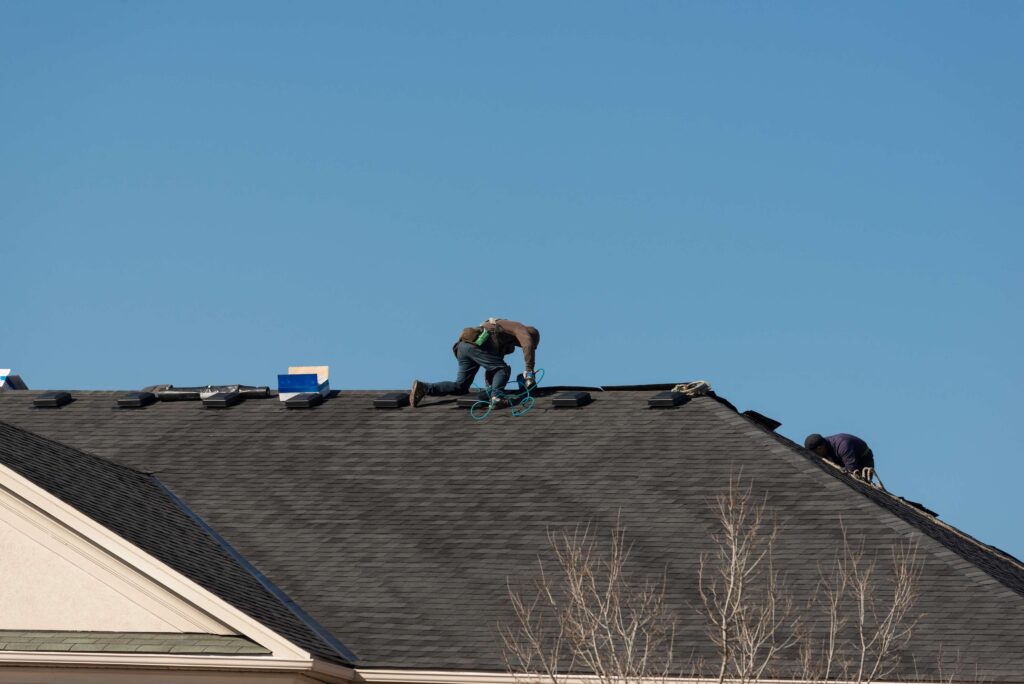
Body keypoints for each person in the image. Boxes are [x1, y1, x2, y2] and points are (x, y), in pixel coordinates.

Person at [411, 318, 540, 408]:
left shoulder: (505, 339)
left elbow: (492, 367)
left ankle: (424, 388)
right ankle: (497, 398)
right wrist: (529, 372)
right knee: (503, 369)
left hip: (463, 347)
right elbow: (527, 343)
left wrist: (490, 387)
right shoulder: (520, 328)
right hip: (475, 347)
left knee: (461, 386)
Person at [804, 433, 875, 477]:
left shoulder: (843, 446)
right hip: (842, 457)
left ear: (820, 448)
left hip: (862, 459)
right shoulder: (824, 445)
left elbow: (852, 471)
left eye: (815, 453)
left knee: (860, 483)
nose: (816, 456)